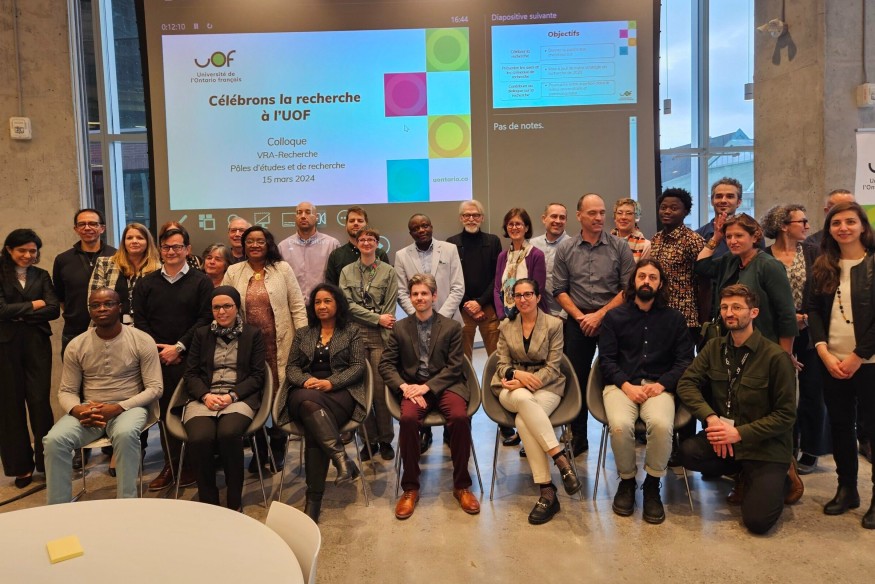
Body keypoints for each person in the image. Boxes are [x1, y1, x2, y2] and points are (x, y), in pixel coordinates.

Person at [677, 284, 802, 534]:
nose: (729, 313)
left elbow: (785, 415)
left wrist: (739, 434)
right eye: (724, 307)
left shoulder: (775, 357)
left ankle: (784, 475)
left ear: (753, 312)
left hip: (765, 446)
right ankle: (742, 473)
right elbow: (686, 383)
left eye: (736, 307)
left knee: (757, 522)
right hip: (727, 437)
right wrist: (711, 418)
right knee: (687, 453)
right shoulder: (714, 348)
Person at [43, 288, 162, 503]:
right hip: (91, 411)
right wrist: (78, 410)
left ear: (120, 308)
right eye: (95, 305)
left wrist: (117, 408)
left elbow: (155, 388)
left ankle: (127, 503)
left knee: (125, 434)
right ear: (89, 310)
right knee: (54, 440)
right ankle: (57, 508)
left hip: (129, 408)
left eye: (108, 304)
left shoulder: (141, 340)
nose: (102, 309)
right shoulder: (77, 345)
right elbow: (67, 390)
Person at [598, 259, 694, 523]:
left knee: (662, 425)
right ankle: (627, 481)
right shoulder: (614, 317)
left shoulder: (675, 319)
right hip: (621, 386)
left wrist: (662, 384)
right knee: (619, 425)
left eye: (653, 277)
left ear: (660, 284)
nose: (647, 281)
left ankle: (652, 484)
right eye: (642, 276)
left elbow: (685, 360)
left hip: (659, 387)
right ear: (633, 281)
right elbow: (606, 360)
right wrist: (626, 385)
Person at [380, 273, 479, 519]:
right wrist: (404, 387)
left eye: (424, 293)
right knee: (408, 420)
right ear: (410, 298)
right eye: (415, 294)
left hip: (447, 385)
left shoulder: (452, 327)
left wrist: (427, 387)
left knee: (459, 417)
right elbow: (386, 365)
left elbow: (455, 367)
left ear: (434, 296)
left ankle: (461, 486)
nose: (419, 298)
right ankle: (410, 488)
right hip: (413, 388)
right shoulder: (400, 328)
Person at [806, 201, 875, 529]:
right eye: (836, 223)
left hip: (870, 362)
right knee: (840, 426)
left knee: (872, 430)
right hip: (831, 360)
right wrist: (823, 350)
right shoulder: (824, 264)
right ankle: (847, 489)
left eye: (850, 221)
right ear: (829, 229)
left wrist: (858, 356)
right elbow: (813, 309)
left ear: (862, 226)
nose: (843, 228)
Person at [491, 278, 580, 525]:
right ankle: (560, 458)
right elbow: (501, 365)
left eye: (528, 294)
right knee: (522, 399)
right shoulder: (505, 326)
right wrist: (515, 375)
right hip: (510, 387)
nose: (523, 299)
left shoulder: (554, 324)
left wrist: (525, 382)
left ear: (538, 297)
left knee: (523, 420)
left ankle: (547, 491)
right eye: (518, 295)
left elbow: (553, 367)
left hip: (547, 386)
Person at [553, 193, 635, 457]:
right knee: (576, 379)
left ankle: (623, 432)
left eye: (602, 212)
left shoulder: (619, 247)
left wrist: (599, 316)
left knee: (618, 375)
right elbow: (559, 289)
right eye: (592, 213)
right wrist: (581, 317)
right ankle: (579, 437)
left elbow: (628, 289)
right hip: (577, 322)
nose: (599, 217)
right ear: (579, 216)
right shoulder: (566, 248)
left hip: (614, 322)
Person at [278, 283, 368, 523]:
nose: (322, 306)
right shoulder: (303, 333)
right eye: (317, 302)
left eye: (327, 301)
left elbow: (358, 367)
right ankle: (341, 458)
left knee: (314, 425)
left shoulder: (351, 331)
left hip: (340, 393)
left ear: (338, 304)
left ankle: (313, 500)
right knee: (308, 404)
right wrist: (305, 380)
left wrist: (331, 382)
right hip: (304, 392)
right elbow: (292, 367)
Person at [134, 226, 213, 491]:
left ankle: (193, 464)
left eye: (177, 247)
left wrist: (178, 348)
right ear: (160, 250)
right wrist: (161, 351)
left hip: (192, 359)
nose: (171, 252)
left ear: (187, 250)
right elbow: (140, 321)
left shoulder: (201, 282)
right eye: (166, 247)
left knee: (191, 412)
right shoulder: (146, 283)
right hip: (157, 359)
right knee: (166, 413)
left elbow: (205, 319)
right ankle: (172, 463)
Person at [223, 225, 307, 472]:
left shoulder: (282, 269)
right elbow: (225, 305)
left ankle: (278, 446)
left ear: (268, 243)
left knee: (280, 395)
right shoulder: (234, 271)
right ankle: (259, 449)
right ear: (243, 245)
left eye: (260, 241)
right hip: (248, 348)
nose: (255, 245)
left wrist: (303, 340)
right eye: (250, 241)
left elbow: (297, 306)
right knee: (254, 396)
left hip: (280, 344)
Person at [182, 286, 266, 511]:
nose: (221, 312)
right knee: (200, 437)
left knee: (229, 433)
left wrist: (232, 396)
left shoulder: (252, 335)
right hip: (204, 398)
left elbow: (258, 376)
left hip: (239, 398)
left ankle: (234, 500)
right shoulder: (201, 335)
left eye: (227, 306)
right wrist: (205, 395)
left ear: (237, 307)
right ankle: (209, 502)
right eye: (216, 307)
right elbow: (190, 374)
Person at [762, 204, 827, 474]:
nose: (808, 226)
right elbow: (763, 296)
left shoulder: (814, 252)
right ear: (783, 226)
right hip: (776, 332)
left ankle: (811, 449)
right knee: (780, 391)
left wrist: (805, 317)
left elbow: (824, 291)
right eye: (802, 221)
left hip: (810, 331)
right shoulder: (764, 256)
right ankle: (785, 446)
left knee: (812, 391)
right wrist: (789, 319)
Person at [394, 213, 465, 454]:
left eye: (425, 225)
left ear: (432, 226)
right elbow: (402, 292)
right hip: (417, 323)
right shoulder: (401, 255)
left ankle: (450, 431)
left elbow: (458, 287)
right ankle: (423, 431)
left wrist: (438, 319)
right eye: (416, 228)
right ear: (410, 232)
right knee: (419, 370)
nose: (421, 230)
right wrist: (420, 313)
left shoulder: (449, 249)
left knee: (448, 373)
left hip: (449, 323)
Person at [0, 229, 60, 488]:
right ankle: (21, 468)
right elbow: (1, 310)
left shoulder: (41, 275)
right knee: (10, 406)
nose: (27, 255)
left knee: (39, 403)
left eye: (32, 251)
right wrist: (35, 305)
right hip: (5, 346)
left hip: (37, 344)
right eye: (22, 250)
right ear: (9, 249)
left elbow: (53, 309)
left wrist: (17, 314)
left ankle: (47, 463)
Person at [695, 213, 798, 357]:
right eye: (728, 237)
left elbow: (786, 314)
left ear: (754, 237)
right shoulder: (730, 259)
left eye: (739, 236)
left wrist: (785, 355)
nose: (732, 241)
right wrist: (716, 238)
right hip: (731, 343)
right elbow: (701, 267)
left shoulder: (769, 265)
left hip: (763, 345)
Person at [339, 226, 397, 461]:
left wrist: (382, 322)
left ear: (377, 243)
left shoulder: (388, 271)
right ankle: (368, 441)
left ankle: (386, 440)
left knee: (381, 391)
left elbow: (390, 307)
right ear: (356, 243)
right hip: (355, 335)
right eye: (362, 239)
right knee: (361, 390)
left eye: (370, 239)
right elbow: (347, 305)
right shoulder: (346, 272)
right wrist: (376, 318)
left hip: (380, 336)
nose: (366, 243)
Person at [52, 208, 115, 355]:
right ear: (76, 229)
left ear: (102, 228)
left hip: (110, 330)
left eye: (92, 223)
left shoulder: (116, 256)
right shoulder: (63, 260)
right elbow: (61, 298)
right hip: (74, 331)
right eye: (82, 224)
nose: (87, 228)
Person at [447, 199, 502, 358]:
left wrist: (479, 303)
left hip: (488, 306)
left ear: (482, 218)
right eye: (467, 215)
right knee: (462, 359)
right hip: (462, 308)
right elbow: (450, 278)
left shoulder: (493, 241)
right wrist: (468, 305)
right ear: (461, 218)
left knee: (497, 357)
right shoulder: (451, 243)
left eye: (476, 215)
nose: (471, 219)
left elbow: (498, 276)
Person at [650, 188, 706, 337]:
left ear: (685, 212)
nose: (667, 212)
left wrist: (704, 322)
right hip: (657, 313)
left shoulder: (693, 240)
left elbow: (704, 283)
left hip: (685, 316)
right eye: (663, 208)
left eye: (674, 208)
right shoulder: (656, 239)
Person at [89, 222, 161, 327]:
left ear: (148, 242)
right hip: (109, 328)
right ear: (124, 242)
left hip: (147, 328)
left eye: (140, 238)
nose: (134, 241)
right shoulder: (105, 264)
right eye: (129, 238)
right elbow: (93, 301)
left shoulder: (158, 268)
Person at [278, 201, 340, 303]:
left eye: (308, 212)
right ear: (295, 217)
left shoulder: (332, 244)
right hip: (294, 306)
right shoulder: (283, 247)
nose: (303, 216)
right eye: (299, 213)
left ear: (316, 217)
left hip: (322, 306)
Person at [493, 207, 548, 320]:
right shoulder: (502, 256)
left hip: (530, 317)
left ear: (526, 228)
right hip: (506, 318)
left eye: (518, 224)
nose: (514, 227)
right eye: (510, 224)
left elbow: (538, 289)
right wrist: (502, 315)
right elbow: (497, 289)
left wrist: (521, 317)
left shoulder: (536, 255)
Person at [324, 206, 389, 285]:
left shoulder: (380, 254)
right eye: (351, 221)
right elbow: (330, 287)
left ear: (366, 225)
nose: (356, 223)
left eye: (360, 221)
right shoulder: (336, 255)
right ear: (346, 226)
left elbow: (387, 283)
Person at [530, 203, 570, 319]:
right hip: (536, 313)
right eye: (554, 216)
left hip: (563, 315)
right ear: (544, 219)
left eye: (562, 217)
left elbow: (577, 286)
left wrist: (563, 316)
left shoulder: (573, 247)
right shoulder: (532, 245)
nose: (558, 221)